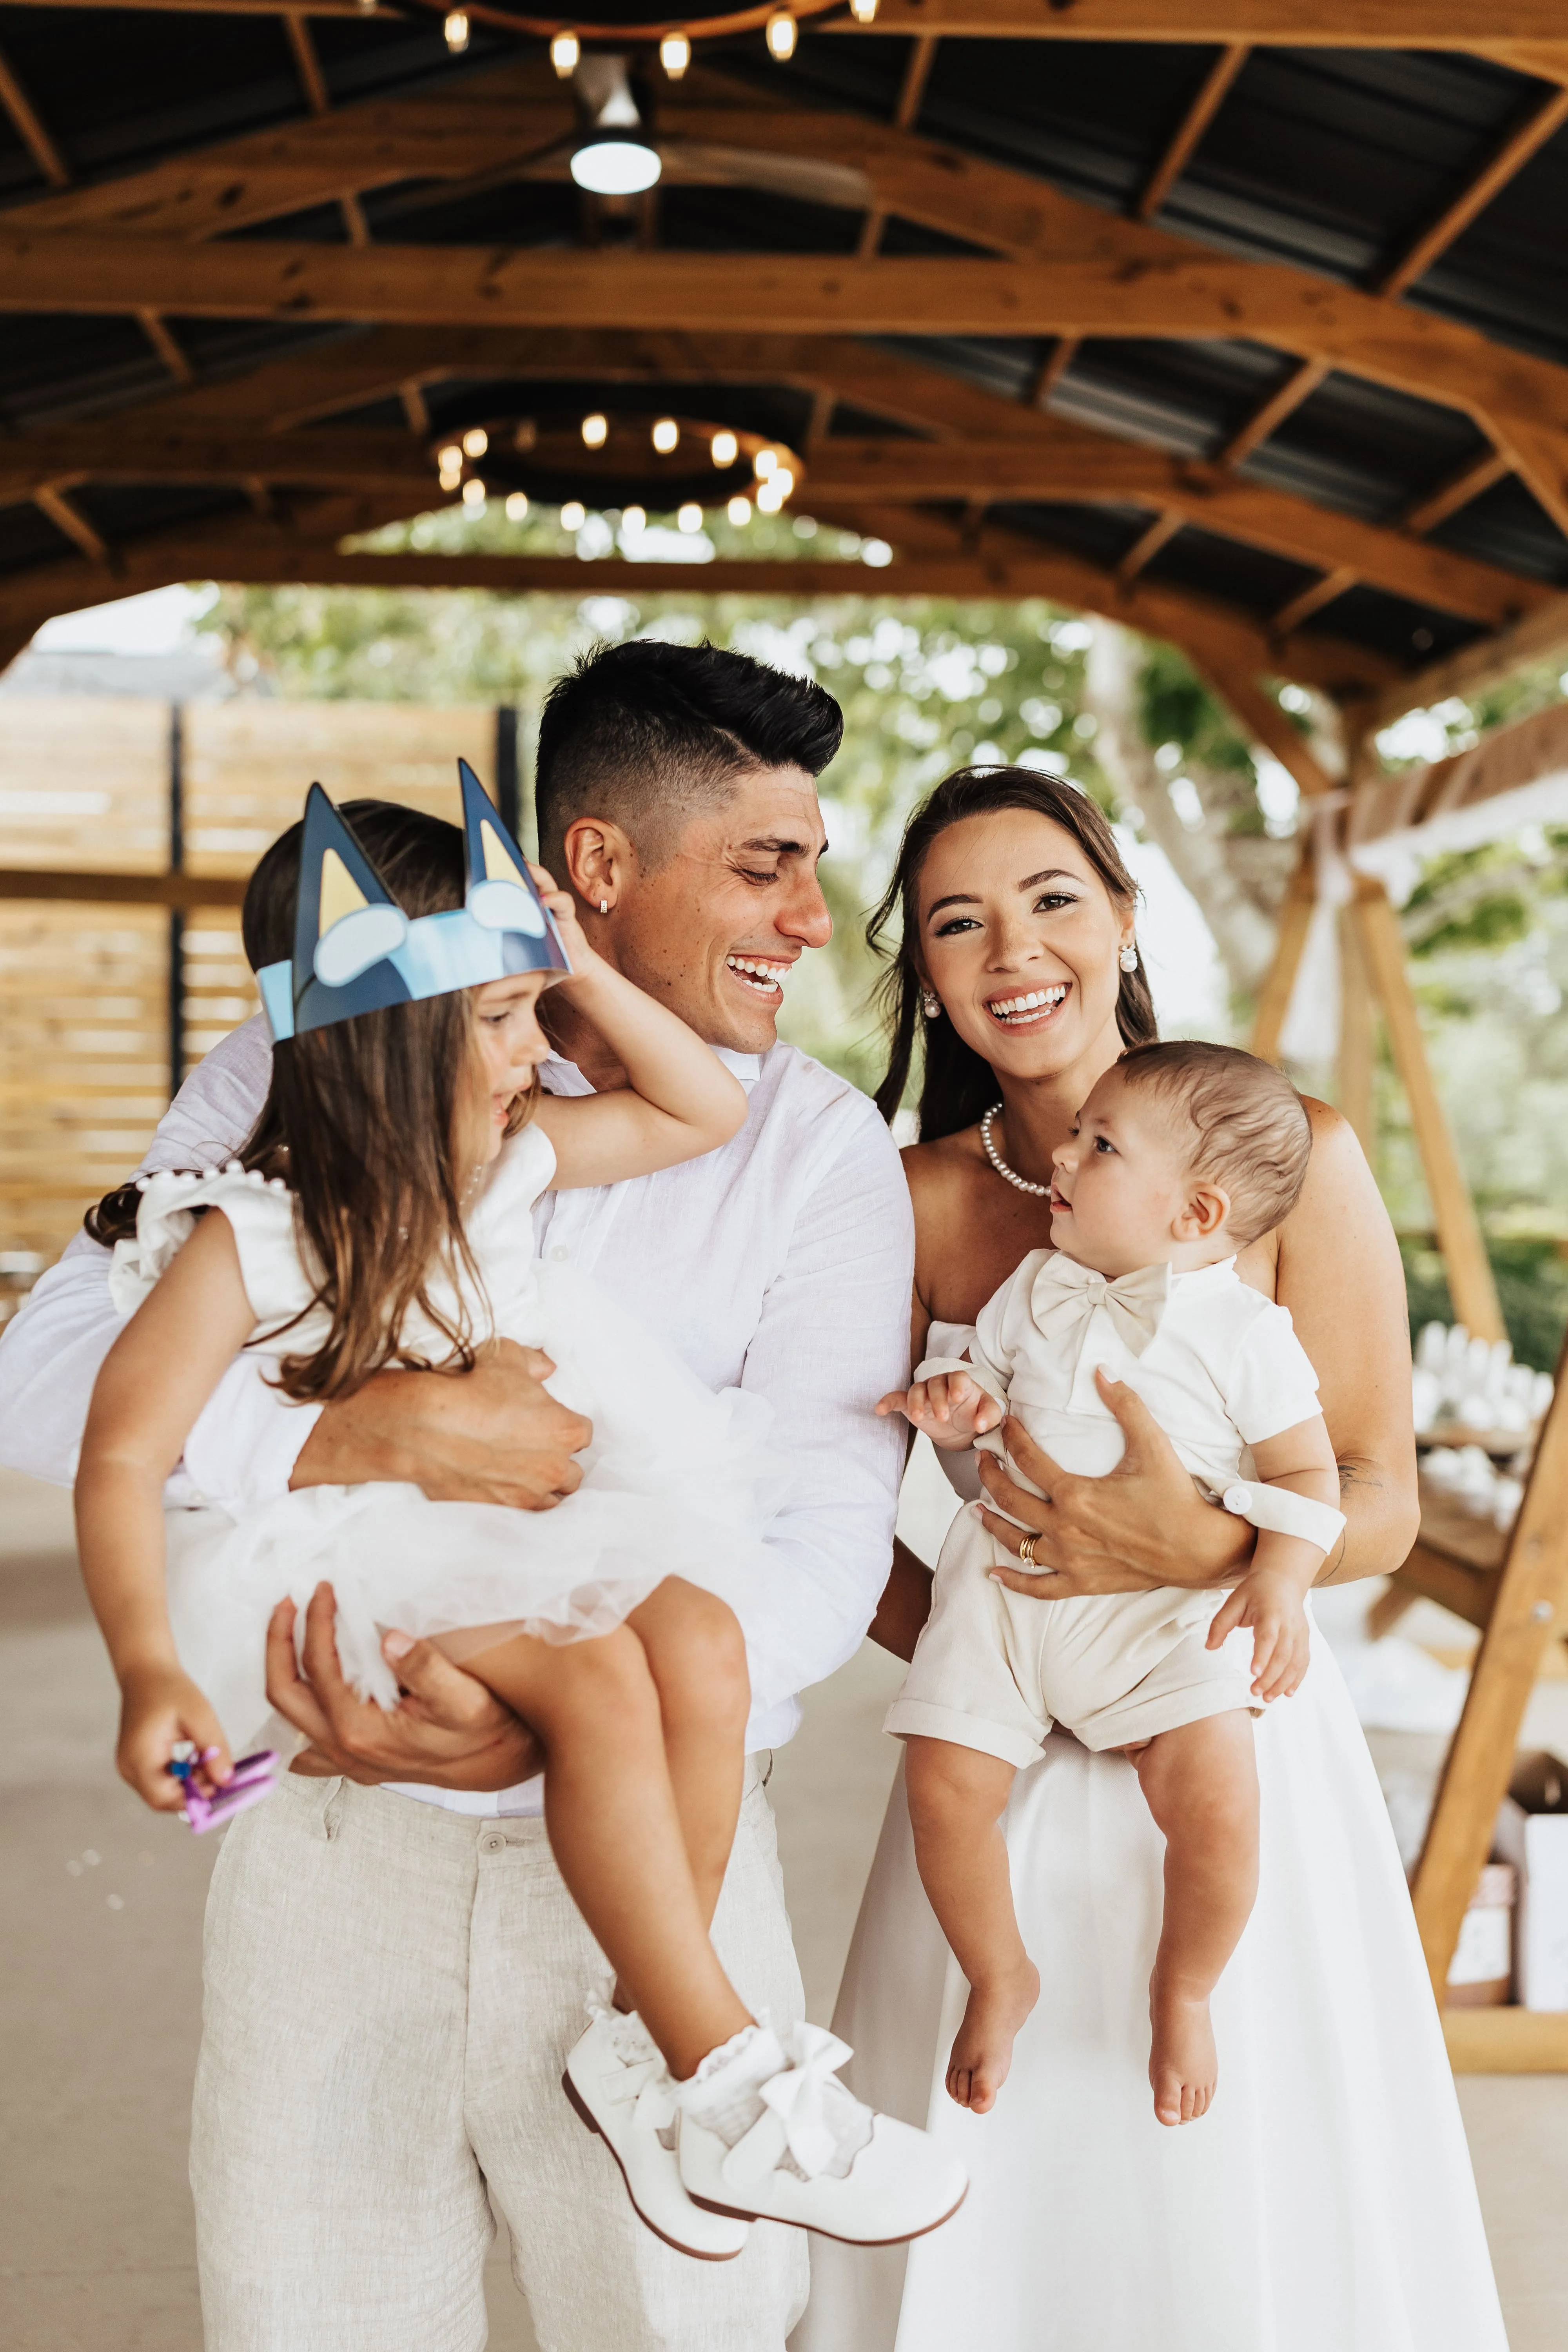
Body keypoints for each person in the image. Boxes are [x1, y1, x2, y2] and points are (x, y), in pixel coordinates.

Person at [0, 639, 922, 2352]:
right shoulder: (299, 1071)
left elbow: (816, 1529)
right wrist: (370, 1439)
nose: (813, 920)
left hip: (663, 1846)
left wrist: (551, 1711)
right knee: (312, 2313)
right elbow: (50, 1383)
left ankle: (688, 2069)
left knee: (683, 2333)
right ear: (595, 870)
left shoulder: (805, 1149)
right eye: (765, 867)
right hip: (337, 1837)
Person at [795, 764, 1508, 2352]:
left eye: (1053, 897)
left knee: (1248, 2160)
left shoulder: (1292, 1155)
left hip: (1236, 1722)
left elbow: (1376, 1491)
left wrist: (1202, 1554)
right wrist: (1001, 1659)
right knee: (998, 2152)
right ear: (918, 971)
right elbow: (838, 1513)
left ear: (1123, 918)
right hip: (1010, 1727)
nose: (1011, 949)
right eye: (954, 921)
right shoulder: (901, 1202)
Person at [879, 1041, 1343, 2126]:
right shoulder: (1036, 1285)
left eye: (1101, 1145)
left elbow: (1306, 1472)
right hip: (1006, 1598)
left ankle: (1184, 1989)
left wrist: (1281, 1576)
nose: (1068, 1157)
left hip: (1157, 1620)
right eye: (1077, 1133)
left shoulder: (1246, 1334)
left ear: (1194, 1215)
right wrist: (961, 1411)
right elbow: (982, 1413)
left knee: (1220, 1803)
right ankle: (1001, 1975)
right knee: (942, 1789)